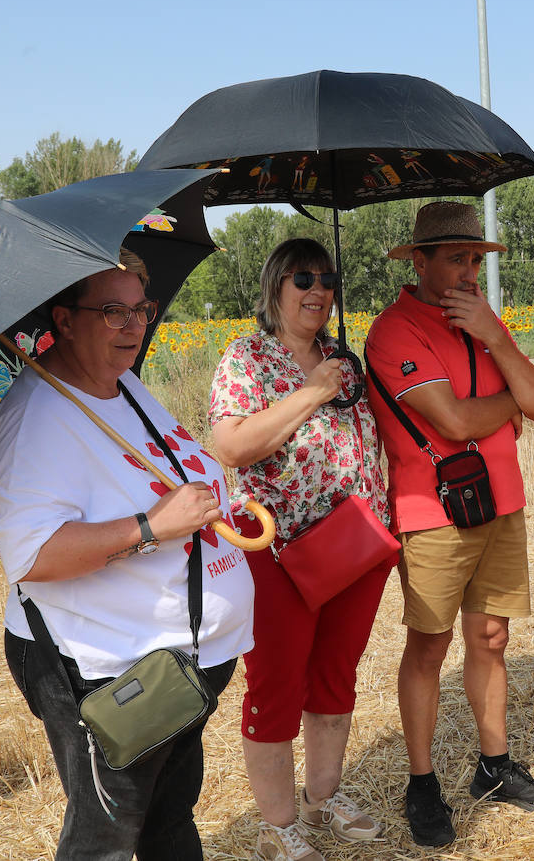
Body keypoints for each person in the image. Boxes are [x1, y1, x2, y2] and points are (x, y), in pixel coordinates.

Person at [0, 251, 255, 860]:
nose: (133, 325)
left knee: (168, 822)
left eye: (141, 309)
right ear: (64, 319)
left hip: (180, 662)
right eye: (112, 311)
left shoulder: (123, 385)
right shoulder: (34, 422)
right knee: (105, 839)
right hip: (109, 670)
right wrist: (150, 526)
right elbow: (34, 557)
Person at [363, 201, 534, 848]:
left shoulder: (484, 322)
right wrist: (504, 406)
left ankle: (494, 767)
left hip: (502, 504)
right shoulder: (393, 332)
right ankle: (422, 783)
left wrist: (498, 340)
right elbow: (453, 422)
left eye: (475, 258)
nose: (469, 270)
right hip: (432, 515)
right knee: (429, 648)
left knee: (493, 638)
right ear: (418, 262)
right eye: (456, 257)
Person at [209, 238, 393, 861]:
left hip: (356, 545)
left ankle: (323, 796)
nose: (317, 290)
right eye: (301, 278)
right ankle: (278, 825)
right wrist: (312, 391)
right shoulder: (247, 358)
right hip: (279, 548)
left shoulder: (343, 357)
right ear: (276, 288)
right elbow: (231, 447)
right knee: (277, 683)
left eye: (326, 278)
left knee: (334, 677)